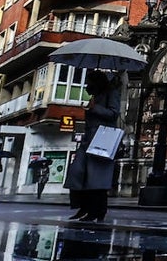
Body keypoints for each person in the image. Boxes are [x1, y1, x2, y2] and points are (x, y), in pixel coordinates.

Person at [63, 69, 121, 222]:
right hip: (88, 139)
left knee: (96, 178)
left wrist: (95, 108)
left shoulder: (111, 93)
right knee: (77, 172)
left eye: (89, 82)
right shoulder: (95, 96)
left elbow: (114, 114)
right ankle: (83, 207)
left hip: (102, 139)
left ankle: (97, 211)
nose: (87, 85)